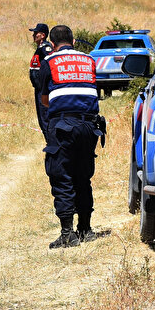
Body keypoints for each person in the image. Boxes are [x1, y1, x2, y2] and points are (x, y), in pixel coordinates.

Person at [37, 25, 104, 248]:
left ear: (53, 44)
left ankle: (67, 233)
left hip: (63, 125)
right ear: (74, 42)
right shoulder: (89, 61)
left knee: (62, 175)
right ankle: (85, 228)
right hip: (89, 126)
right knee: (83, 176)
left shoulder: (49, 61)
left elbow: (45, 100)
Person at [28, 23, 53, 139]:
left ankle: (52, 143)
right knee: (42, 119)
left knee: (45, 118)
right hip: (39, 88)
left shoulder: (45, 48)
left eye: (36, 33)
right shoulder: (39, 49)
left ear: (42, 35)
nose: (33, 35)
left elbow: (52, 61)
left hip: (44, 89)